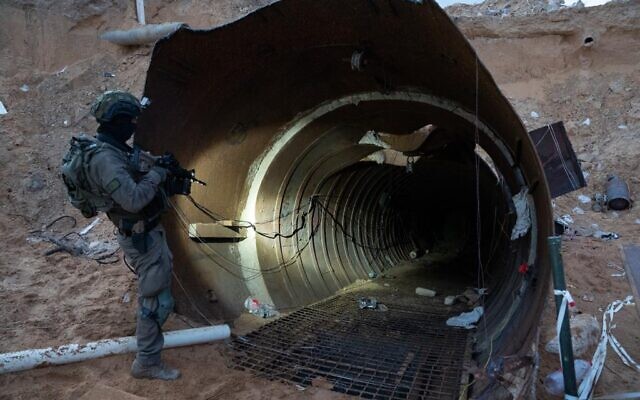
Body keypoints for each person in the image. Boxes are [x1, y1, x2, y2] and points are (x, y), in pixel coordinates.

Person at [84, 90, 180, 380]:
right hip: (140, 236)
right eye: (130, 120)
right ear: (116, 122)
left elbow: (132, 163)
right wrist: (157, 176)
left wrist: (156, 163)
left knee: (159, 292)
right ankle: (147, 362)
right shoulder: (105, 159)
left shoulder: (111, 147)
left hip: (147, 232)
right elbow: (134, 200)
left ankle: (148, 341)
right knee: (154, 301)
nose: (134, 126)